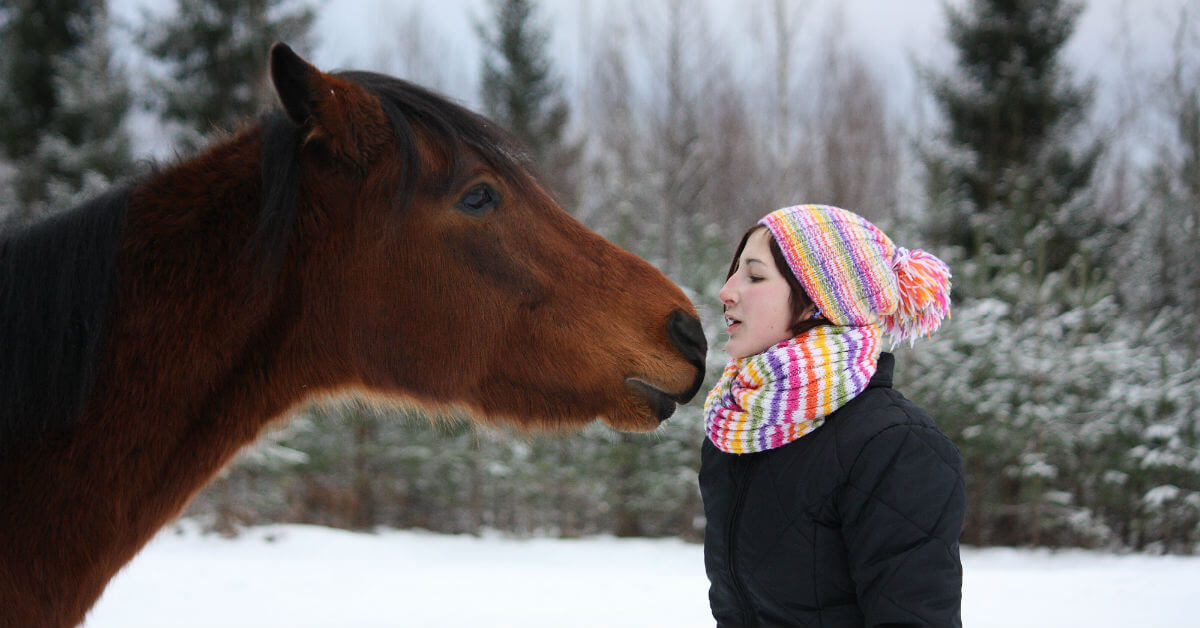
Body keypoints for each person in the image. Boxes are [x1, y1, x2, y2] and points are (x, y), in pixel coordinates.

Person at [700, 204, 965, 628]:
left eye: (754, 275)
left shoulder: (897, 446)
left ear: (815, 302)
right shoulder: (736, 429)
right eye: (734, 272)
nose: (726, 291)